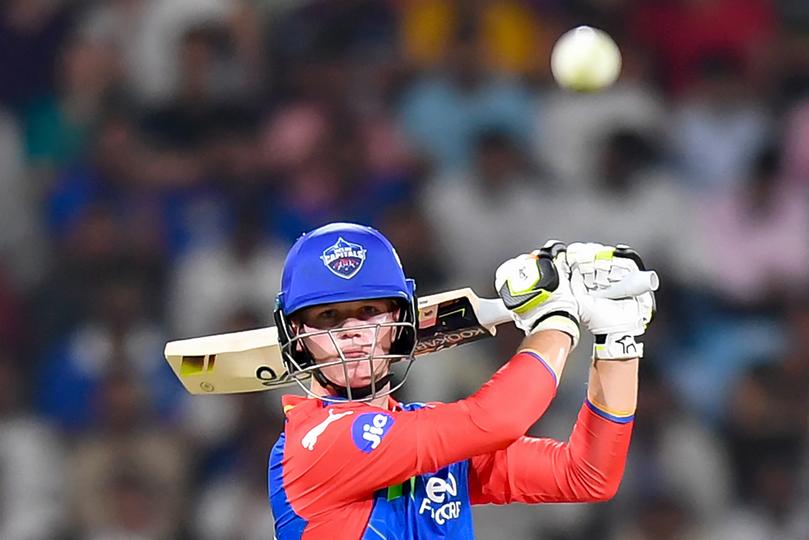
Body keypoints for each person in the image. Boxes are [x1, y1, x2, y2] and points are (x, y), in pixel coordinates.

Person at [268, 222, 655, 539]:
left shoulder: (434, 437)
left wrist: (617, 342)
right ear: (295, 332)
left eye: (369, 311)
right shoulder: (316, 442)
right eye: (329, 317)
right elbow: (498, 420)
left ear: (399, 323)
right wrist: (558, 320)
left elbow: (587, 476)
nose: (350, 331)